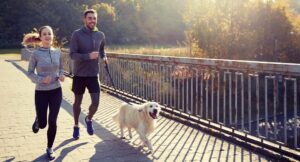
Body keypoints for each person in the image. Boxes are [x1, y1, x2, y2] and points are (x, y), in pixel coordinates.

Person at [23, 25, 65, 160]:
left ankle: (49, 148)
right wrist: (41, 79)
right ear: (40, 37)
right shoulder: (35, 54)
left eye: (50, 34)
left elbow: (61, 69)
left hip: (56, 91)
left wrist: (62, 75)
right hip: (41, 92)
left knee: (53, 121)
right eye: (45, 34)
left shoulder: (57, 52)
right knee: (43, 124)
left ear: (52, 36)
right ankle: (38, 120)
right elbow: (29, 73)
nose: (47, 36)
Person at [69, 9, 108, 139]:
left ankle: (88, 119)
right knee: (77, 103)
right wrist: (88, 56)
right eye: (90, 18)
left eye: (94, 18)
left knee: (96, 103)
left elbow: (102, 50)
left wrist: (104, 57)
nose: (92, 20)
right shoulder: (77, 34)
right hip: (79, 75)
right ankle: (76, 125)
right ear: (85, 19)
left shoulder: (101, 34)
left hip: (93, 74)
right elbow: (72, 54)